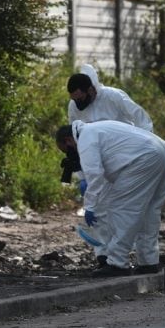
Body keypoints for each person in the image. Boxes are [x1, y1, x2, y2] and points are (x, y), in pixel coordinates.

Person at [65, 64, 155, 269]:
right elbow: (75, 140)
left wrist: (146, 149)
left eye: (80, 98)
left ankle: (146, 258)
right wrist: (82, 176)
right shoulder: (74, 108)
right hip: (96, 164)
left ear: (91, 89)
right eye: (74, 99)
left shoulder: (114, 97)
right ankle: (104, 257)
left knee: (133, 210)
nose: (78, 103)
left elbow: (141, 119)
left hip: (126, 162)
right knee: (98, 211)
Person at [55, 120, 165, 277]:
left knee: (121, 209)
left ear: (68, 140)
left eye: (66, 150)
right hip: (161, 150)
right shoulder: (96, 130)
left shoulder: (85, 138)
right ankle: (149, 262)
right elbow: (108, 169)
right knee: (149, 210)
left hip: (143, 158)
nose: (69, 154)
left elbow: (94, 175)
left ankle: (118, 263)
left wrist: (89, 206)